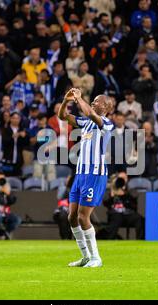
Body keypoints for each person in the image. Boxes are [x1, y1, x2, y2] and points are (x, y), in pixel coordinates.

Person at [58, 88, 115, 268]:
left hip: (94, 174)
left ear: (105, 107)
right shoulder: (86, 123)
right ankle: (86, 257)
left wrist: (79, 98)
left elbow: (89, 112)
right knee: (72, 217)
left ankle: (96, 258)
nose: (93, 103)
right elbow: (63, 117)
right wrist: (66, 101)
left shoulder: (106, 123)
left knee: (83, 217)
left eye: (97, 101)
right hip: (80, 173)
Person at [103, 173, 144, 240]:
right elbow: (105, 203)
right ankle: (110, 239)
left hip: (128, 214)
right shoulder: (111, 190)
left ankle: (140, 240)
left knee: (139, 218)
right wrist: (112, 195)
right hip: (115, 214)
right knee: (116, 218)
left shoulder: (130, 190)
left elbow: (133, 203)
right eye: (120, 178)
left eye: (124, 178)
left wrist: (124, 194)